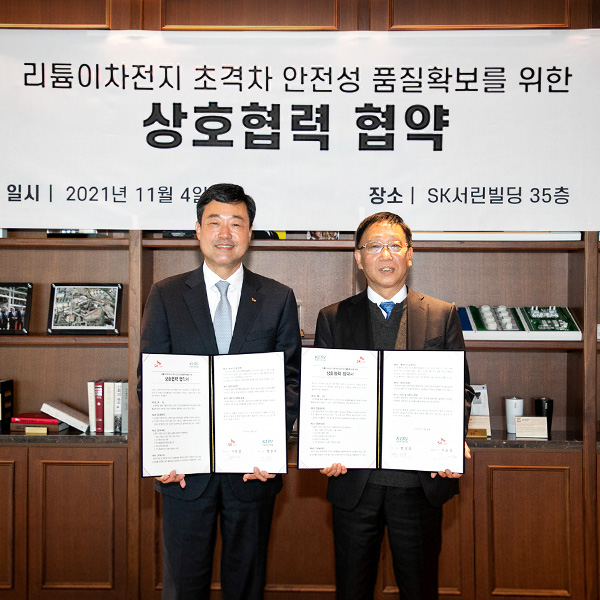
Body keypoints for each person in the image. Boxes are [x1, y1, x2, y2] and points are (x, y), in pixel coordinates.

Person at [138, 183, 301, 600]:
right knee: (183, 585)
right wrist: (165, 451)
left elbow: (291, 381)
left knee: (246, 584)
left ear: (250, 233)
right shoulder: (166, 294)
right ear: (198, 230)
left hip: (252, 472)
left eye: (236, 223)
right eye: (214, 222)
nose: (225, 234)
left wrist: (268, 448)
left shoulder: (277, 297)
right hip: (184, 473)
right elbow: (151, 381)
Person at [316, 211, 474, 600]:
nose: (385, 254)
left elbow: (460, 389)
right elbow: (321, 395)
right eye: (374, 246)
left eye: (394, 245)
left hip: (419, 483)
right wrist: (324, 445)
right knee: (352, 589)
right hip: (355, 482)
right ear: (358, 258)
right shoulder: (333, 317)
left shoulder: (441, 314)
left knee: (419, 589)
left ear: (410, 254)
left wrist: (450, 440)